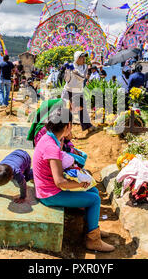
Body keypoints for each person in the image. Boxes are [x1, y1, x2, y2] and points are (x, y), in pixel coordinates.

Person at [32, 107, 115, 252]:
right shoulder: (52, 146)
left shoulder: (49, 137)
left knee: (94, 191)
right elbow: (59, 182)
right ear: (67, 126)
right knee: (95, 199)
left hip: (47, 188)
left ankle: (91, 228)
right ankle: (93, 240)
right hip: (49, 194)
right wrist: (79, 184)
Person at [62, 51, 96, 133]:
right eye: (81, 57)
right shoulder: (71, 66)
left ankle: (88, 126)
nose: (83, 59)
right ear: (76, 58)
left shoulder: (85, 67)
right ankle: (64, 129)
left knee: (82, 109)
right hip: (68, 90)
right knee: (65, 109)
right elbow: (66, 80)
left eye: (84, 57)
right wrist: (67, 70)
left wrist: (74, 71)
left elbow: (83, 78)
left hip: (78, 91)